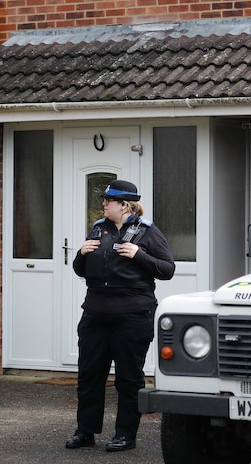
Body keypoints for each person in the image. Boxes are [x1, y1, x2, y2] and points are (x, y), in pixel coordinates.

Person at [66, 179, 175, 452]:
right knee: (89, 374)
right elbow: (81, 269)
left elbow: (167, 269)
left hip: (133, 314)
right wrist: (80, 253)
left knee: (128, 378)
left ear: (124, 205)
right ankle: (85, 431)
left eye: (108, 200)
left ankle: (126, 435)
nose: (103, 203)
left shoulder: (147, 232)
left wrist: (139, 255)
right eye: (104, 199)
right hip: (95, 314)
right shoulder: (98, 229)